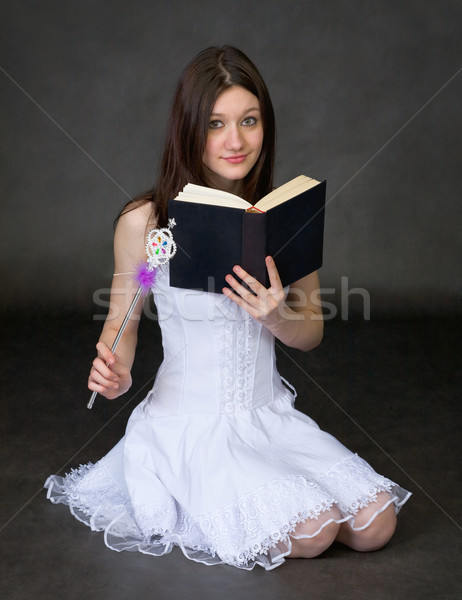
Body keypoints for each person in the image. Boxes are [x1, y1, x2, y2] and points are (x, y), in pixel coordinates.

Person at [45, 46, 411, 570]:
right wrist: (115, 369)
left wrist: (276, 317)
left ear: (266, 126)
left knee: (378, 525)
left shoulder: (282, 219)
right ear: (189, 128)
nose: (235, 141)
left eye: (249, 121)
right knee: (314, 530)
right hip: (190, 428)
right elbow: (121, 322)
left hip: (268, 418)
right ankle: (195, 503)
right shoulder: (147, 224)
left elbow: (311, 332)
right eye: (215, 123)